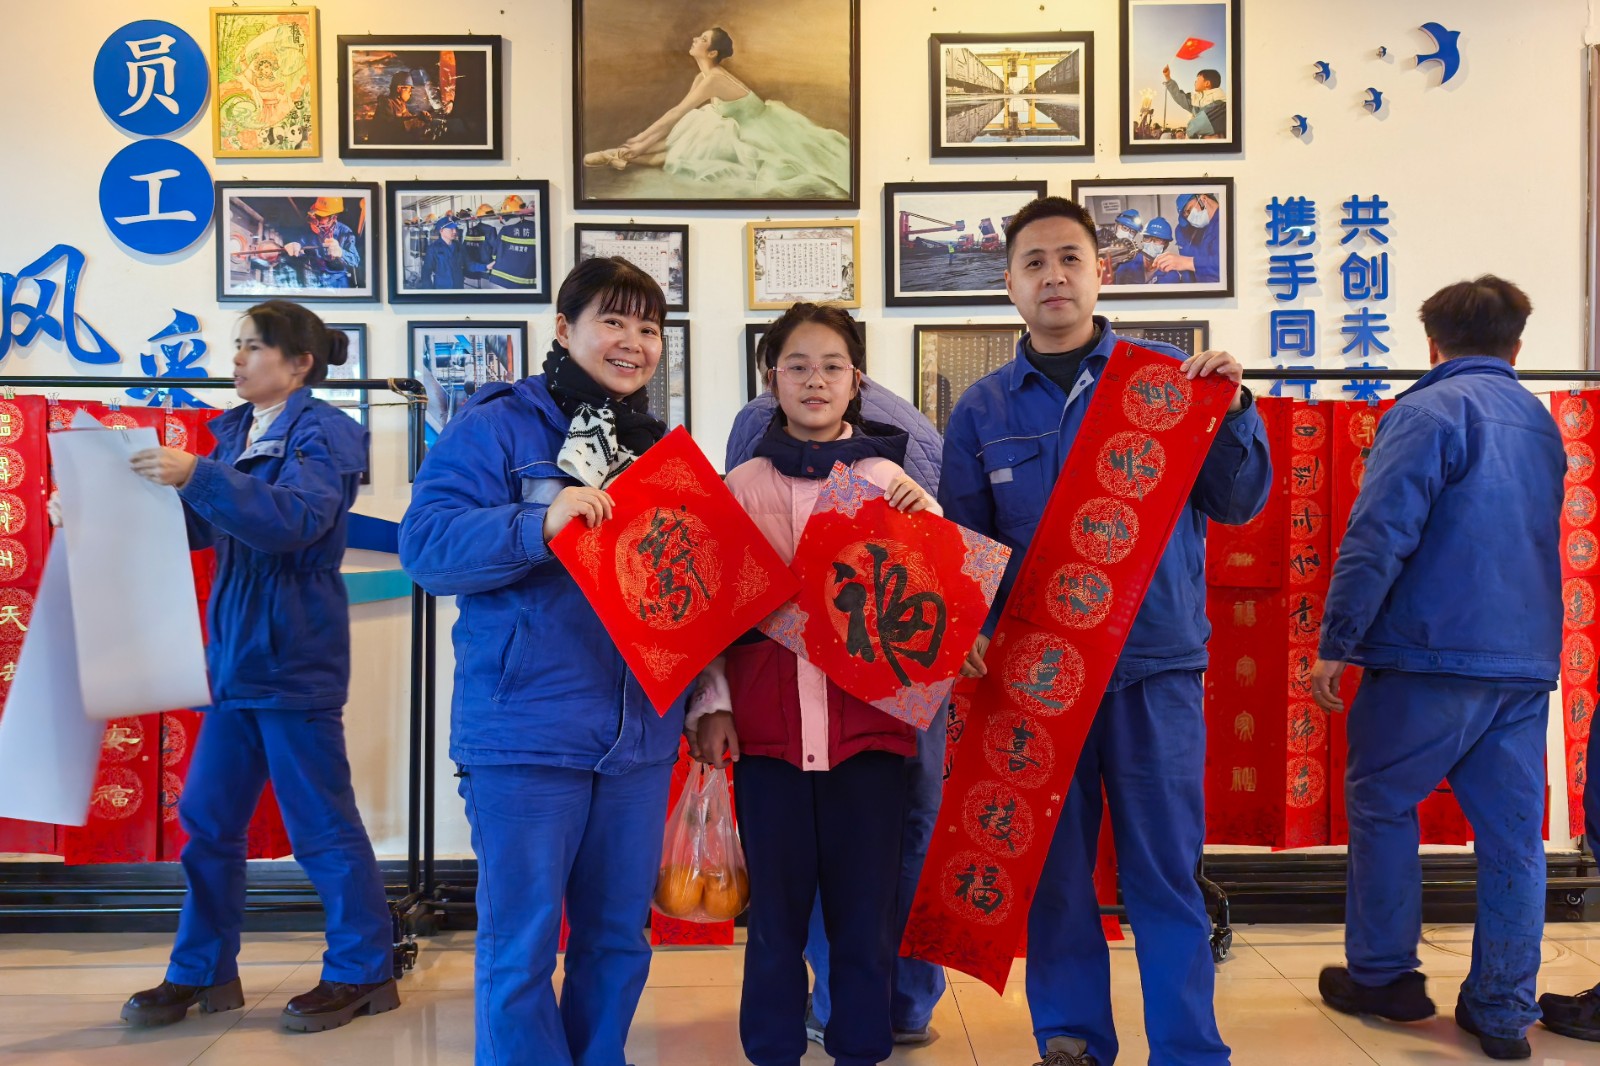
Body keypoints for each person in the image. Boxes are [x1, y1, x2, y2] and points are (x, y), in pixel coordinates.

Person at [940, 196, 1271, 1066]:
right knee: (1054, 876)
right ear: (1009, 284)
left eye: (1070, 259)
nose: (1053, 276)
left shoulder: (1168, 381)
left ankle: (1188, 1048)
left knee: (1164, 870)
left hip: (1153, 666)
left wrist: (1236, 410)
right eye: (1034, 263)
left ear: (1101, 273)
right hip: (1034, 679)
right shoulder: (981, 410)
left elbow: (1238, 502)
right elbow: (968, 548)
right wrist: (971, 633)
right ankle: (1072, 1036)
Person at [399, 258, 681, 1066]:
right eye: (612, 321)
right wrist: (539, 523)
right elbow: (427, 548)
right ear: (564, 329)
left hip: (638, 738)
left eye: (648, 327)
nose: (633, 342)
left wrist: (702, 697)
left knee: (618, 939)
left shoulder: (656, 448)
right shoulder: (498, 425)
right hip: (527, 731)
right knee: (520, 946)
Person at [115, 300, 396, 1033]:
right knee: (208, 820)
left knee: (320, 824)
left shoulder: (326, 432)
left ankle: (364, 969)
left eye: (253, 347)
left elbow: (294, 520)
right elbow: (202, 524)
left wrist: (198, 475)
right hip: (235, 656)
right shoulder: (235, 432)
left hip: (295, 653)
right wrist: (97, 513)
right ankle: (203, 970)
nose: (236, 358)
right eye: (236, 345)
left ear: (299, 364)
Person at [1310, 276, 1564, 1061]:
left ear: (1431, 344)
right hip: (1523, 663)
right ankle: (1502, 1010)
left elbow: (1378, 533)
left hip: (1429, 653)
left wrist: (1337, 640)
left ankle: (1385, 975)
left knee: (1382, 802)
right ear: (1517, 346)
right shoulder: (1539, 422)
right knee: (1513, 839)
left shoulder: (1426, 411)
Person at [689, 302, 940, 1066]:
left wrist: (924, 514)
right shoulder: (740, 485)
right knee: (775, 920)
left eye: (832, 366)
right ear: (772, 380)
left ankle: (861, 1048)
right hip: (768, 738)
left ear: (857, 380)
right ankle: (771, 1049)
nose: (815, 380)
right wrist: (713, 704)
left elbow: (935, 598)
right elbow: (709, 613)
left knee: (864, 918)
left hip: (869, 736)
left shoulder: (888, 479)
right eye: (796, 366)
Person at [581, 27, 849, 200]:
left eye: (703, 39)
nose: (695, 39)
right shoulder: (703, 77)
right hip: (731, 125)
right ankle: (619, 154)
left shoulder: (715, 79)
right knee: (686, 137)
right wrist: (641, 141)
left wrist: (640, 142)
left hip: (757, 132)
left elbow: (677, 112)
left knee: (681, 153)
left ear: (711, 52)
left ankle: (617, 154)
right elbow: (676, 115)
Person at [280, 197, 363, 290]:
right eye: (315, 215)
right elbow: (301, 248)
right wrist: (295, 246)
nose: (315, 219)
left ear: (334, 217)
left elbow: (355, 260)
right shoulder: (309, 230)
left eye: (321, 216)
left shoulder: (345, 232)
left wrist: (340, 252)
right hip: (316, 278)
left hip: (338, 279)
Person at [1154, 192, 1221, 285]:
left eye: (1189, 210)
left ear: (1203, 199)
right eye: (1186, 216)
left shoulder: (1228, 220)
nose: (1189, 218)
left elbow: (1228, 265)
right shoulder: (1196, 230)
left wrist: (1185, 262)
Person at [485, 194, 541, 290]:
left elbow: (495, 252)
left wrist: (494, 262)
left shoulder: (504, 230)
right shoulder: (536, 229)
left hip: (501, 279)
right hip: (526, 284)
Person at [1113, 217, 1190, 286]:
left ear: (1165, 244)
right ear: (1142, 241)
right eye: (1147, 238)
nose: (1151, 243)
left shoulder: (1171, 275)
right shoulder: (1126, 266)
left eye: (1157, 240)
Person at [1161, 65, 1228, 139]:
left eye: (1198, 79)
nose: (1195, 81)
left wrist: (1190, 129)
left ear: (1207, 83)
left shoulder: (1220, 99)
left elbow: (1198, 125)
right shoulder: (1195, 99)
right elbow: (1179, 96)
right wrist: (1168, 77)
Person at [421, 215, 465, 290]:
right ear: (441, 231)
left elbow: (469, 264)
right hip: (441, 288)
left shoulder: (459, 246)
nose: (455, 231)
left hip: (458, 287)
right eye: (451, 229)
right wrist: (429, 292)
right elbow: (426, 273)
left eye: (455, 228)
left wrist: (485, 266)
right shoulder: (433, 248)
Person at [464, 202, 501, 284]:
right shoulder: (490, 230)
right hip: (485, 267)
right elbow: (496, 249)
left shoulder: (469, 230)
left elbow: (465, 249)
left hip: (471, 268)